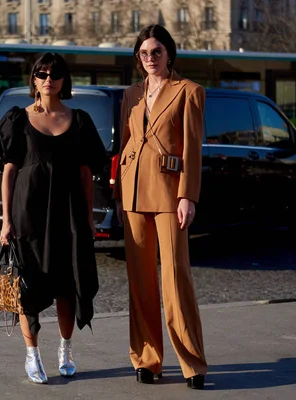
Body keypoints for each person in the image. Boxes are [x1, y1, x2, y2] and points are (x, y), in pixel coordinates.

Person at [0, 52, 107, 384]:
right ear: (34, 80)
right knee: (29, 287)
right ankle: (32, 355)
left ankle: (65, 350)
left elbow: (85, 173)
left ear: (64, 80)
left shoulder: (79, 120)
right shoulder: (17, 120)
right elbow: (8, 172)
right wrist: (6, 220)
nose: (48, 79)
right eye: (41, 73)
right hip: (28, 215)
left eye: (54, 74)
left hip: (67, 215)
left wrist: (89, 216)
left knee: (68, 287)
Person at [113, 25, 208, 389]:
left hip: (170, 193)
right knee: (139, 282)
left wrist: (188, 195)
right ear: (138, 58)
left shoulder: (190, 92)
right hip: (134, 192)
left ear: (169, 54)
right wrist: (120, 196)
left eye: (156, 52)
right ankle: (148, 360)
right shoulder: (131, 95)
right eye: (144, 53)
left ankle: (192, 362)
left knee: (175, 278)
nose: (150, 58)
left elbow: (192, 148)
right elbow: (124, 146)